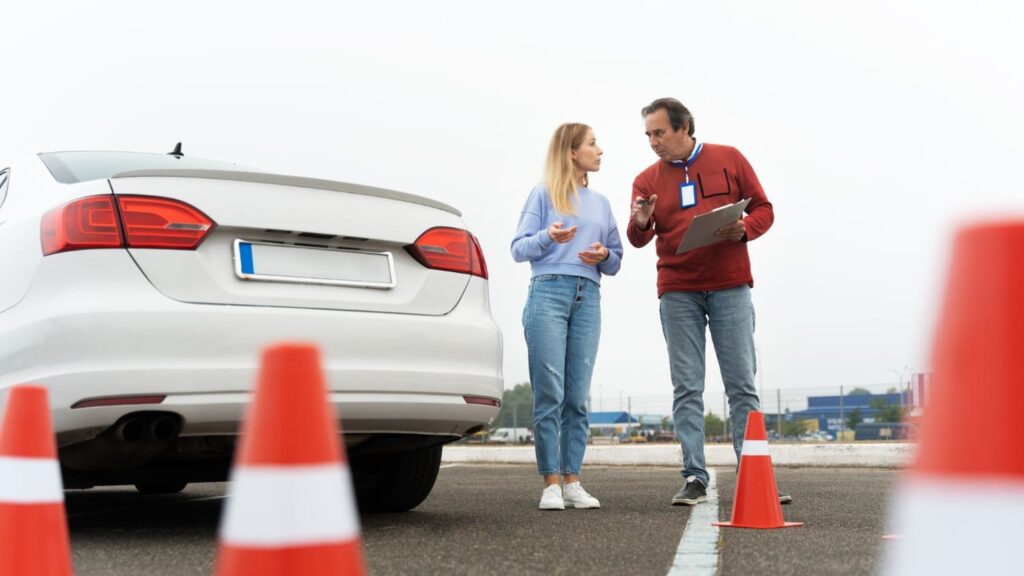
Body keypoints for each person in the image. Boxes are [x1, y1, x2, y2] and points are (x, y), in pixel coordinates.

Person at [626, 98, 791, 506]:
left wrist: (745, 228)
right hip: (677, 291)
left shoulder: (730, 158)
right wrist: (642, 221)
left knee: (742, 386)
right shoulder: (646, 179)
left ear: (684, 128)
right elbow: (636, 237)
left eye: (659, 133)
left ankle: (756, 475)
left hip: (730, 287)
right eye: (648, 134)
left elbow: (765, 209)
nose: (653, 142)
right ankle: (694, 477)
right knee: (687, 388)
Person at [511, 123, 623, 511]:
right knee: (550, 395)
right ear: (572, 152)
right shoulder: (542, 194)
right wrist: (548, 237)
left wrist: (603, 256)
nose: (600, 150)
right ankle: (551, 483)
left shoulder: (602, 203)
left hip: (588, 295)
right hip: (548, 293)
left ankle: (573, 480)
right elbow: (518, 248)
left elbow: (616, 259)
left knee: (576, 397)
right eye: (593, 143)